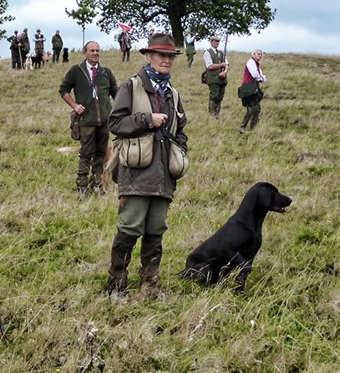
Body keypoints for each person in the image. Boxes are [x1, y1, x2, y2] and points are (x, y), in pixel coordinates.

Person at [106, 33, 188, 300]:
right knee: (129, 229)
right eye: (161, 55)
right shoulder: (131, 87)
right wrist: (146, 120)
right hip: (136, 174)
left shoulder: (174, 94)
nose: (166, 60)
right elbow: (115, 124)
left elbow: (181, 131)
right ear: (148, 57)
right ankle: (116, 286)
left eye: (170, 56)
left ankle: (149, 287)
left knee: (155, 232)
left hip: (164, 176)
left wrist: (180, 151)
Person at [59, 41, 118, 195]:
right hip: (86, 121)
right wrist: (74, 106)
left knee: (100, 154)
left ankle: (97, 184)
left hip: (104, 121)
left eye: (97, 50)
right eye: (92, 50)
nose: (95, 53)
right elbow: (63, 90)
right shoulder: (76, 71)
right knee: (86, 153)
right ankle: (82, 186)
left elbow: (116, 94)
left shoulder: (106, 72)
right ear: (85, 52)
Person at [239, 49, 266, 133]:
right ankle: (242, 127)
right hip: (248, 87)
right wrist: (261, 78)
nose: (260, 56)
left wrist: (261, 78)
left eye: (261, 54)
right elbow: (255, 75)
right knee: (253, 108)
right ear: (253, 54)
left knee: (256, 108)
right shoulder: (251, 62)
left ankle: (252, 128)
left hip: (253, 87)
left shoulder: (256, 64)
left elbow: (261, 76)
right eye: (258, 54)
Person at [203, 35, 229, 118]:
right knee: (214, 96)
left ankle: (217, 114)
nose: (217, 43)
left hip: (222, 79)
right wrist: (221, 64)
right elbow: (210, 66)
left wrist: (225, 71)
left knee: (220, 97)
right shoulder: (207, 52)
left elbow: (227, 64)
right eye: (215, 41)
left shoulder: (221, 53)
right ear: (211, 42)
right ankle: (212, 114)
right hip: (213, 78)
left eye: (218, 41)